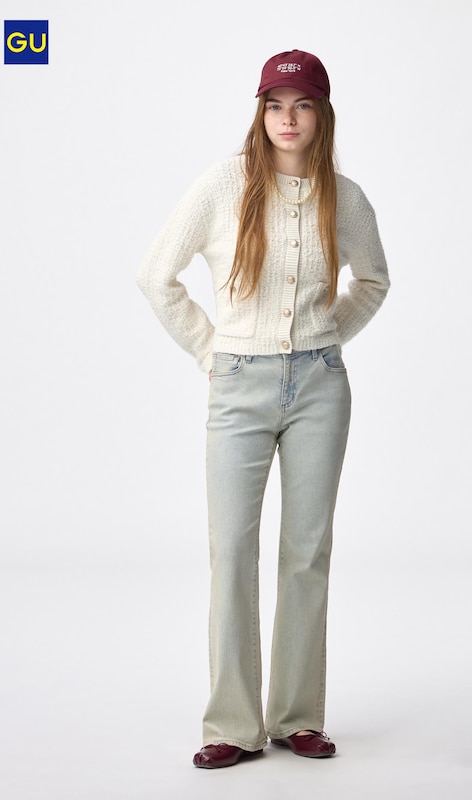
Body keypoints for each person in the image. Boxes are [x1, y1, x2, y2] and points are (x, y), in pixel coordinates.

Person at [136, 49, 390, 769]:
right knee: (232, 551)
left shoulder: (346, 197)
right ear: (260, 112)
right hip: (238, 385)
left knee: (307, 551)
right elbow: (156, 275)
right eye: (275, 105)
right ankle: (231, 725)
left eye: (302, 104)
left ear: (322, 115)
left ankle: (297, 716)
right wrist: (211, 350)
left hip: (320, 387)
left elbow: (374, 281)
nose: (288, 118)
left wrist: (324, 338)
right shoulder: (225, 185)